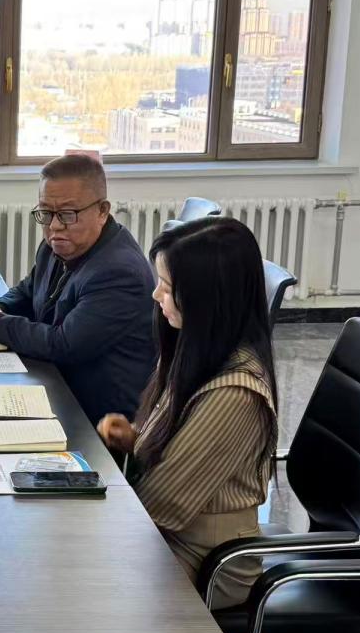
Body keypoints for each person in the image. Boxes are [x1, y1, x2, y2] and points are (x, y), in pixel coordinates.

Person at [97, 216, 278, 609]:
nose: (155, 295)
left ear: (206, 297)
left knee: (86, 581)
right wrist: (135, 440)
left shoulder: (234, 394)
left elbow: (161, 505)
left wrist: (85, 519)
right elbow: (178, 453)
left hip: (206, 560)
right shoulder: (199, 348)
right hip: (171, 538)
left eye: (166, 287)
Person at [0, 154, 155, 424]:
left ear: (102, 211)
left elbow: (65, 345)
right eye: (46, 213)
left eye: (67, 214)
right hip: (56, 387)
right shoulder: (58, 244)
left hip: (99, 422)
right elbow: (28, 290)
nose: (53, 226)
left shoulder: (119, 272)